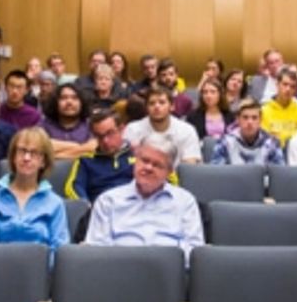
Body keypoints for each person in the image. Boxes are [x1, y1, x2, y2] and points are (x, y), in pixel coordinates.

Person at [85, 134, 205, 265]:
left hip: (168, 276)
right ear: (135, 160)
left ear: (170, 172)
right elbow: (96, 253)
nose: (148, 168)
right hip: (119, 274)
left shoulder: (185, 202)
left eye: (157, 165)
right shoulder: (108, 201)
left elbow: (194, 253)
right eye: (144, 160)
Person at [0, 127, 69, 265]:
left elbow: (59, 250)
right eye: (22, 151)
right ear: (13, 157)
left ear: (43, 161)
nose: (26, 158)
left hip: (42, 276)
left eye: (33, 153)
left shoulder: (55, 203)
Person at [64, 109, 135, 204]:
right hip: (100, 211)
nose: (105, 141)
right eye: (99, 136)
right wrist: (87, 206)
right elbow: (73, 187)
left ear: (121, 129)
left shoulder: (138, 156)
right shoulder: (85, 161)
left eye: (110, 133)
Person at [123, 87, 201, 164]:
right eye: (152, 103)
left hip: (176, 176)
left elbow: (190, 165)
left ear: (172, 106)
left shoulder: (187, 131)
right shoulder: (132, 129)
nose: (157, 106)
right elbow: (126, 162)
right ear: (146, 108)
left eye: (162, 102)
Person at [211, 99, 285, 166]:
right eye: (245, 117)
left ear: (260, 120)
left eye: (254, 118)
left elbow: (279, 175)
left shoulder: (272, 143)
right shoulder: (225, 142)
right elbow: (216, 175)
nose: (250, 122)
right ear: (238, 119)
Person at [40, 83, 95, 158]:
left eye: (75, 98)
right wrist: (78, 146)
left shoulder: (91, 125)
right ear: (55, 102)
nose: (69, 102)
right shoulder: (44, 124)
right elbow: (39, 146)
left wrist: (55, 155)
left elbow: (94, 147)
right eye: (63, 98)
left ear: (82, 102)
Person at [261, 66, 297, 145]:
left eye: (292, 86)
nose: (288, 89)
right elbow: (264, 139)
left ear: (295, 90)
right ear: (277, 84)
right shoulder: (263, 110)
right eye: (285, 84)